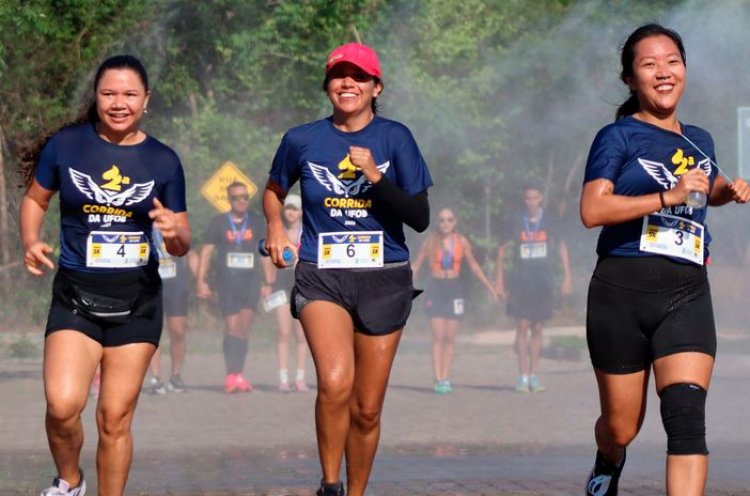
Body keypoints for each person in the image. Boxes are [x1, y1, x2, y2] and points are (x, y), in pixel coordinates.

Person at [580, 24, 750, 495]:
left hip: (687, 292)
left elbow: (705, 187)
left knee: (686, 418)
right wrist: (666, 195)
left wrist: (728, 189)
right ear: (631, 79)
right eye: (649, 64)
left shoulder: (699, 139)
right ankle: (606, 464)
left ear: (685, 70)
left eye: (672, 61)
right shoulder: (618, 136)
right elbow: (593, 210)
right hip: (621, 293)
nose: (663, 72)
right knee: (621, 428)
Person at [262, 42, 432, 496]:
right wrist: (276, 228)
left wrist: (376, 177)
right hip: (322, 275)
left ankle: (356, 491)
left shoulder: (397, 138)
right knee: (336, 384)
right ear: (327, 85)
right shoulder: (302, 139)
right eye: (339, 75)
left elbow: (419, 217)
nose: (347, 83)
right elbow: (274, 190)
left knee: (367, 409)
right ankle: (330, 485)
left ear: (376, 87)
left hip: (385, 277)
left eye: (359, 76)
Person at [19, 54, 190, 496]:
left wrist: (174, 234)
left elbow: (181, 239)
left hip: (138, 303)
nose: (119, 103)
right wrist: (31, 240)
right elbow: (36, 199)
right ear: (95, 98)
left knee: (114, 417)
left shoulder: (163, 160)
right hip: (76, 297)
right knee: (62, 406)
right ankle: (70, 481)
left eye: (130, 94)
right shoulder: (68, 146)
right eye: (109, 93)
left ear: (146, 101)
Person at [495, 183, 572, 393]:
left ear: (540, 199)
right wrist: (499, 280)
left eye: (535, 198)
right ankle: (522, 375)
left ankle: (534, 374)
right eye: (527, 198)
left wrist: (567, 276)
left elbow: (561, 246)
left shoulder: (550, 220)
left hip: (543, 280)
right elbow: (501, 249)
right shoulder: (515, 220)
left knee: (538, 327)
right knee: (522, 326)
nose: (531, 201)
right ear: (524, 199)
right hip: (520, 280)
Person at [412, 207, 497, 393]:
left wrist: (491, 287)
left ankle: (446, 378)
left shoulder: (462, 241)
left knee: (449, 338)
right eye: (442, 220)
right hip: (436, 288)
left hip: (454, 289)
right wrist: (401, 286)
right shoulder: (430, 242)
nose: (446, 223)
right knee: (438, 336)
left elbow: (474, 266)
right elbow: (416, 265)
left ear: (455, 222)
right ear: (438, 222)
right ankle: (438, 378)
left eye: (450, 219)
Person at [197, 181, 264, 394]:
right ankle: (230, 375)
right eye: (236, 197)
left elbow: (265, 253)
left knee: (243, 329)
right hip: (227, 283)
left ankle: (240, 375)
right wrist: (201, 280)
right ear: (229, 200)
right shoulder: (218, 222)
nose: (242, 201)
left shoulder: (256, 221)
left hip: (250, 282)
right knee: (232, 327)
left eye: (245, 197)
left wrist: (269, 283)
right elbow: (206, 252)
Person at [260, 193, 310, 393]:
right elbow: (266, 257)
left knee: (301, 335)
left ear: (300, 212)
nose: (291, 212)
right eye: (288, 208)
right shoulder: (277, 232)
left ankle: (299, 377)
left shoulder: (307, 233)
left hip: (303, 286)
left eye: (295, 209)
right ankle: (282, 377)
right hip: (281, 286)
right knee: (283, 333)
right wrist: (267, 283)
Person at [146, 239, 198, 394]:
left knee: (178, 331)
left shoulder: (175, 224)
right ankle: (156, 378)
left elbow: (192, 253)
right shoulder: (143, 222)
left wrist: (200, 280)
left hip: (176, 284)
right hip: (150, 284)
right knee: (153, 332)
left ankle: (176, 376)